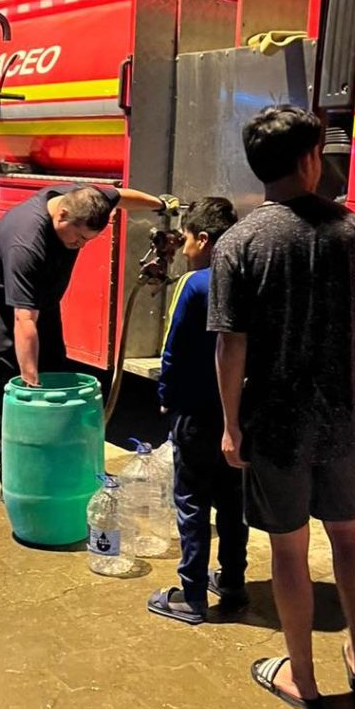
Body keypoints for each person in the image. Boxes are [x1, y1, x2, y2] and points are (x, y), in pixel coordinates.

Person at [209, 105, 355, 709]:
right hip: (341, 417)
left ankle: (301, 677)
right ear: (309, 160)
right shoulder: (353, 231)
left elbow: (231, 346)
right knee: (347, 534)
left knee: (289, 550)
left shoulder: (238, 243)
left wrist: (230, 424)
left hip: (275, 425)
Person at [0, 183, 172, 469]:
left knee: (54, 367)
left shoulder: (85, 202)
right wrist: (32, 389)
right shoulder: (27, 243)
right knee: (7, 384)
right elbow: (24, 320)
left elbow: (120, 196)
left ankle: (52, 453)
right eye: (79, 238)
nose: (81, 245)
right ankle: (15, 468)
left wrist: (161, 204)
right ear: (62, 215)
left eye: (89, 240)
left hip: (41, 300)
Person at [147, 197, 249, 625]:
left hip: (193, 412)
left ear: (203, 240)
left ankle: (191, 596)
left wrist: (165, 395)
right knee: (232, 501)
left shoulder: (194, 285)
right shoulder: (247, 278)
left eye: (186, 238)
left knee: (191, 501)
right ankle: (233, 582)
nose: (183, 246)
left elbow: (172, 350)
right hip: (235, 414)